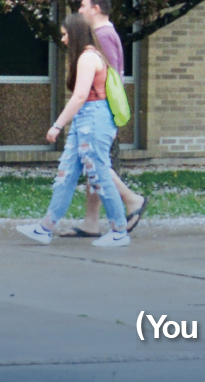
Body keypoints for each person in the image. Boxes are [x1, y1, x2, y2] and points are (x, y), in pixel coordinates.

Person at [16, 14, 129, 247]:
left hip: (93, 118)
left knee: (99, 174)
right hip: (86, 119)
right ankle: (45, 227)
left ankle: (119, 230)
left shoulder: (88, 57)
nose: (63, 39)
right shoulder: (92, 56)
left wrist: (57, 125)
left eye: (66, 34)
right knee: (66, 173)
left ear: (75, 34)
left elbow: (79, 96)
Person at [57, 0, 148, 239]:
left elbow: (107, 79)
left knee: (96, 162)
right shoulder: (105, 33)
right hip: (101, 110)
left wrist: (104, 114)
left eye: (83, 6)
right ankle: (91, 222)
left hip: (98, 111)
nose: (80, 10)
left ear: (96, 9)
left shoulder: (103, 36)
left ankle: (132, 200)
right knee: (92, 164)